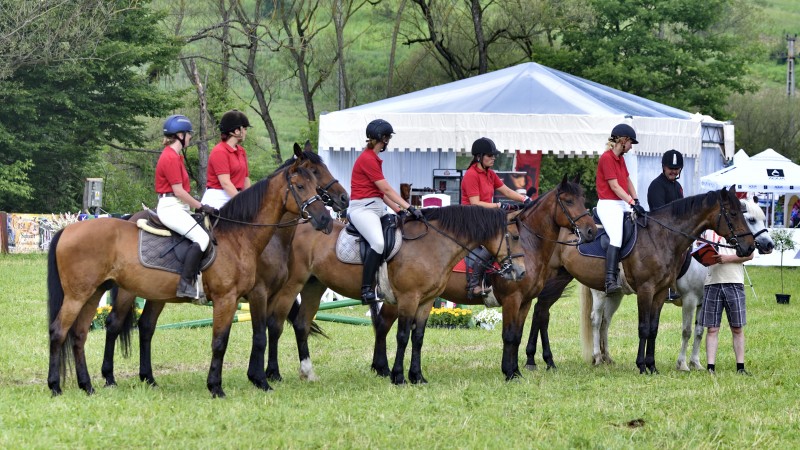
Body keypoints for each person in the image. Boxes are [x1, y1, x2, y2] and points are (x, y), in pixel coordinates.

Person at [350, 119, 422, 305]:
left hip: (376, 207)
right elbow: (387, 189)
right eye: (388, 137)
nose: (388, 141)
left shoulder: (374, 158)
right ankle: (366, 289)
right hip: (362, 209)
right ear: (383, 138)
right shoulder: (367, 159)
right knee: (378, 242)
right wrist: (409, 207)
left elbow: (381, 194)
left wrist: (399, 211)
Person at [461, 137, 531, 298]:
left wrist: (524, 199)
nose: (493, 158)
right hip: (471, 219)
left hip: (486, 218)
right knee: (492, 246)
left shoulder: (490, 173)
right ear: (479, 157)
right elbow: (475, 203)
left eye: (494, 156)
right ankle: (474, 285)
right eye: (490, 155)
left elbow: (506, 191)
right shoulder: (471, 175)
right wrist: (499, 206)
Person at [155, 114, 215, 300]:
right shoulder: (170, 157)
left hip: (177, 206)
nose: (190, 137)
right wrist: (201, 206)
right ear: (180, 135)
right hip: (170, 207)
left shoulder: (175, 156)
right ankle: (185, 284)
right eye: (189, 134)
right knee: (202, 238)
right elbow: (179, 192)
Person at [595, 123, 646, 294]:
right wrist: (631, 202)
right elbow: (615, 186)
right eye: (631, 142)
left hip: (622, 202)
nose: (631, 147)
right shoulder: (606, 158)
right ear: (623, 140)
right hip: (608, 204)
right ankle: (610, 279)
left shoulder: (621, 159)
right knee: (616, 237)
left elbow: (627, 181)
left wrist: (636, 200)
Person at [698, 229, 754, 375]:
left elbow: (750, 255)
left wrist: (727, 259)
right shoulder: (707, 232)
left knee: (737, 328)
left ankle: (740, 367)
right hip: (712, 283)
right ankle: (710, 368)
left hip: (734, 282)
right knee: (712, 329)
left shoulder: (739, 230)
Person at [647, 149, 685, 301]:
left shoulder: (678, 186)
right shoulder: (656, 185)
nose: (674, 171)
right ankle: (668, 285)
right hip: (659, 228)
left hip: (675, 229)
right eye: (671, 168)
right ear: (663, 167)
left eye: (676, 169)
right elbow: (659, 214)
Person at [201, 110, 252, 208]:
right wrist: (243, 202)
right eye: (245, 129)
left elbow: (245, 180)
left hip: (236, 195)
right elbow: (225, 183)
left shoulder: (241, 151)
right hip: (218, 198)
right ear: (237, 131)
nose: (246, 132)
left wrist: (250, 199)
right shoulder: (219, 151)